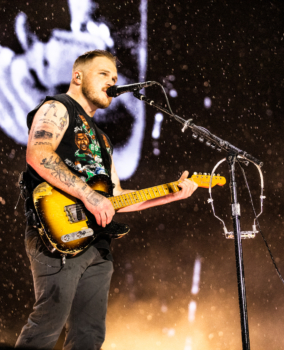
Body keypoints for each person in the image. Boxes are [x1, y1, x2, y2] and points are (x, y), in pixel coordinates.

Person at [15, 49, 198, 350]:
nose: (113, 81)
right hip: (58, 230)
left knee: (89, 334)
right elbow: (38, 154)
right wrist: (88, 195)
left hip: (97, 243)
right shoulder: (58, 107)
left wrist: (171, 193)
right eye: (104, 74)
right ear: (77, 76)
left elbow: (115, 197)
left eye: (115, 77)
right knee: (48, 322)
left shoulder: (103, 139)